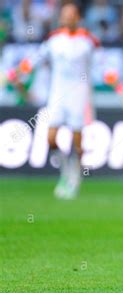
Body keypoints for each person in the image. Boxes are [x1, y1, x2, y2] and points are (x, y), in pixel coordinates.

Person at [21, 3, 99, 199]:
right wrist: (17, 72)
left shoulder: (88, 41)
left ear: (78, 17)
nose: (68, 18)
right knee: (51, 137)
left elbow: (103, 65)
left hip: (79, 94)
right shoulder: (54, 39)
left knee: (78, 142)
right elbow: (35, 58)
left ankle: (75, 175)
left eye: (71, 15)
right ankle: (65, 172)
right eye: (65, 15)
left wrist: (121, 89)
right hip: (57, 93)